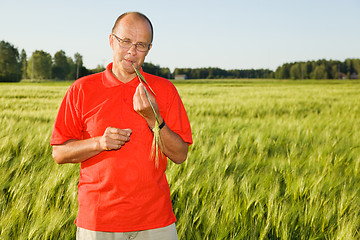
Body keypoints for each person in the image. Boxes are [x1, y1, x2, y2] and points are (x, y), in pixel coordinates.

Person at [50, 12, 192, 240]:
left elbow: (180, 154)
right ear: (111, 40)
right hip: (98, 222)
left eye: (141, 45)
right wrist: (100, 143)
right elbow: (59, 153)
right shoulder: (81, 89)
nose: (132, 51)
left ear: (149, 49)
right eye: (125, 41)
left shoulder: (165, 90)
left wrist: (153, 118)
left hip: (155, 222)